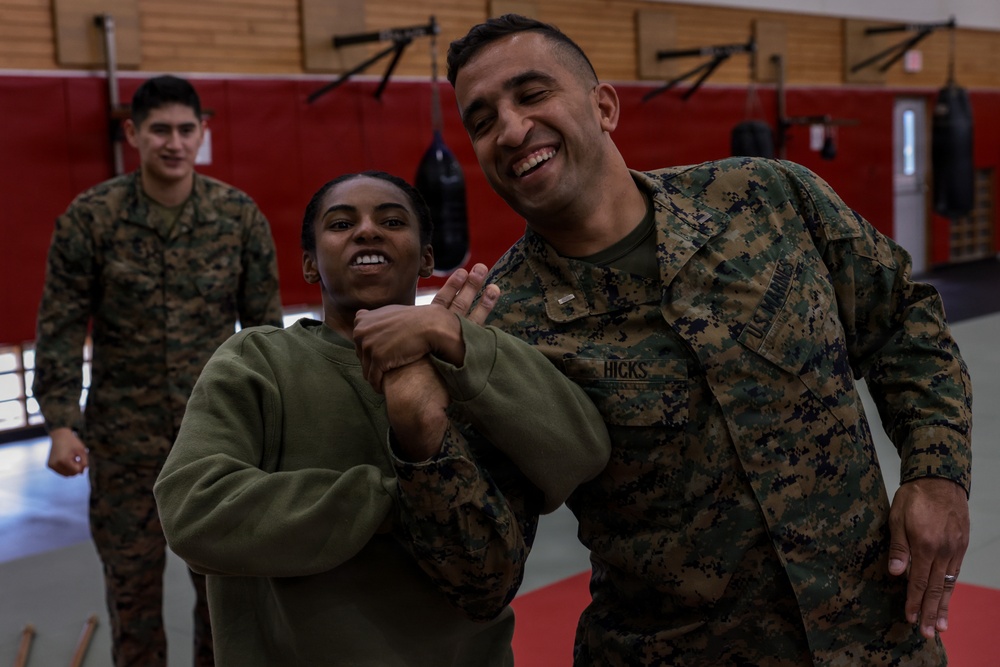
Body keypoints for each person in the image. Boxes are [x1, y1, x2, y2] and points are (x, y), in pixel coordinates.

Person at [431, 14, 971, 666]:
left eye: (532, 93)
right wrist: (422, 422)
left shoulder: (766, 198)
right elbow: (481, 575)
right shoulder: (503, 327)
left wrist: (938, 472)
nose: (512, 129)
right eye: (482, 120)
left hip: (874, 638)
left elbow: (903, 321)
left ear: (604, 107)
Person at [152, 171, 610, 666]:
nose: (367, 231)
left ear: (428, 257)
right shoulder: (258, 361)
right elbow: (192, 510)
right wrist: (400, 499)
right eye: (341, 224)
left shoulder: (473, 365)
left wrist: (458, 343)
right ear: (309, 263)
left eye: (392, 221)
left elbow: (582, 454)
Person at [32, 74, 283, 666]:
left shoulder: (237, 216)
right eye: (160, 130)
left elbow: (265, 331)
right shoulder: (91, 219)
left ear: (202, 132)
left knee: (223, 589)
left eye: (185, 129)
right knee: (132, 593)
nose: (174, 143)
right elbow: (60, 326)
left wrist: (275, 418)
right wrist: (62, 423)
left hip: (215, 436)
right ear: (133, 134)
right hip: (124, 443)